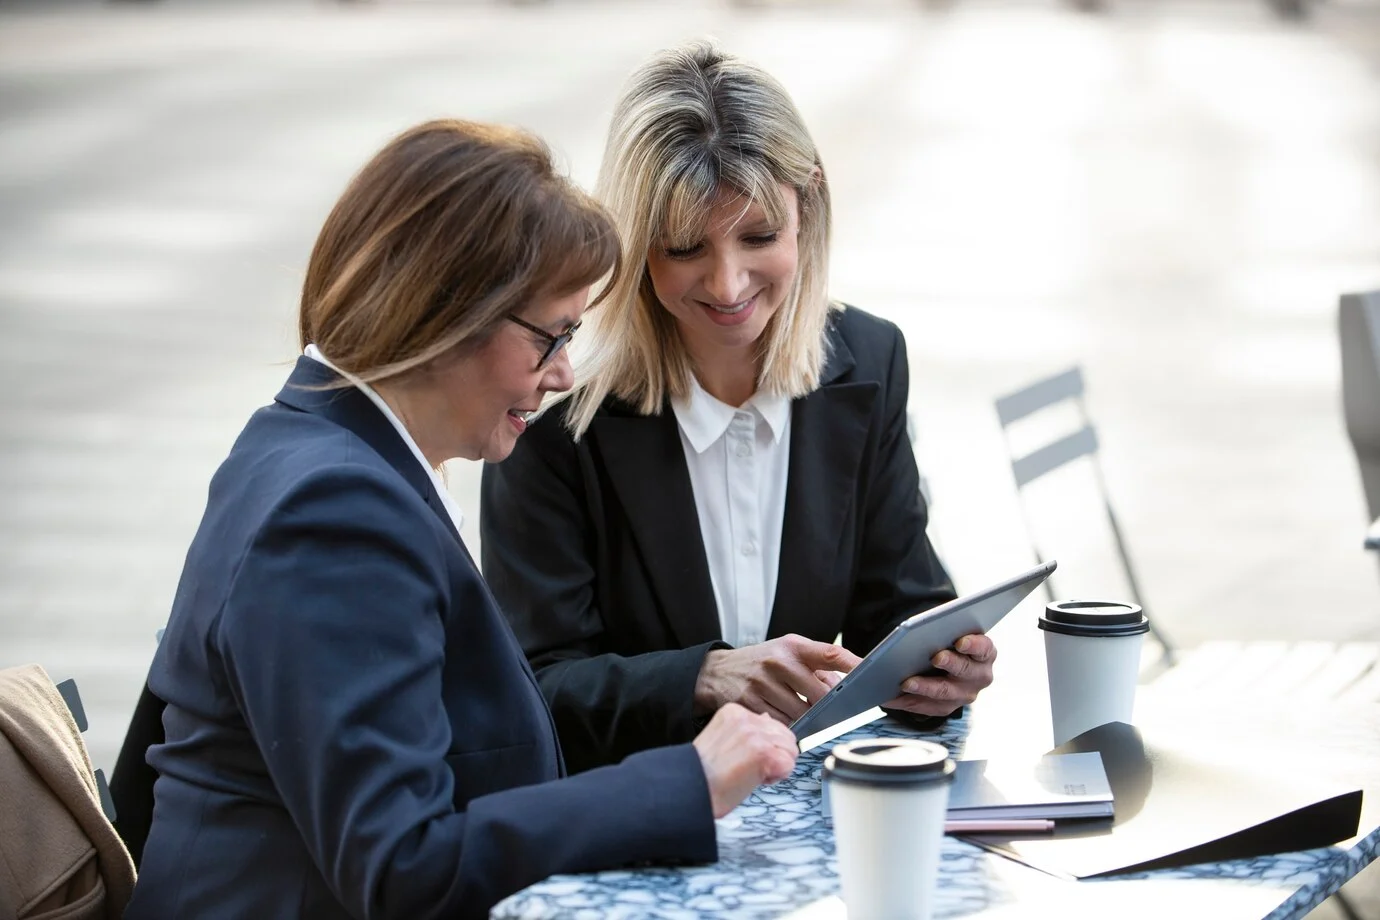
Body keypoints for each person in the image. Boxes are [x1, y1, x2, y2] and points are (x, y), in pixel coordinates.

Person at [123, 118, 798, 920]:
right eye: (552, 336)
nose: (562, 374)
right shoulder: (334, 512)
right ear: (446, 314)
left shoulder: (309, 444)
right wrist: (682, 784)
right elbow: (402, 866)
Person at [480, 41, 997, 776]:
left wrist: (945, 673)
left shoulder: (869, 360)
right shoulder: (558, 414)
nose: (726, 285)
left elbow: (900, 607)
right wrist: (703, 676)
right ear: (633, 242)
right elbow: (530, 687)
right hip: (634, 819)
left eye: (759, 236)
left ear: (806, 206)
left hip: (811, 811)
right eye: (684, 247)